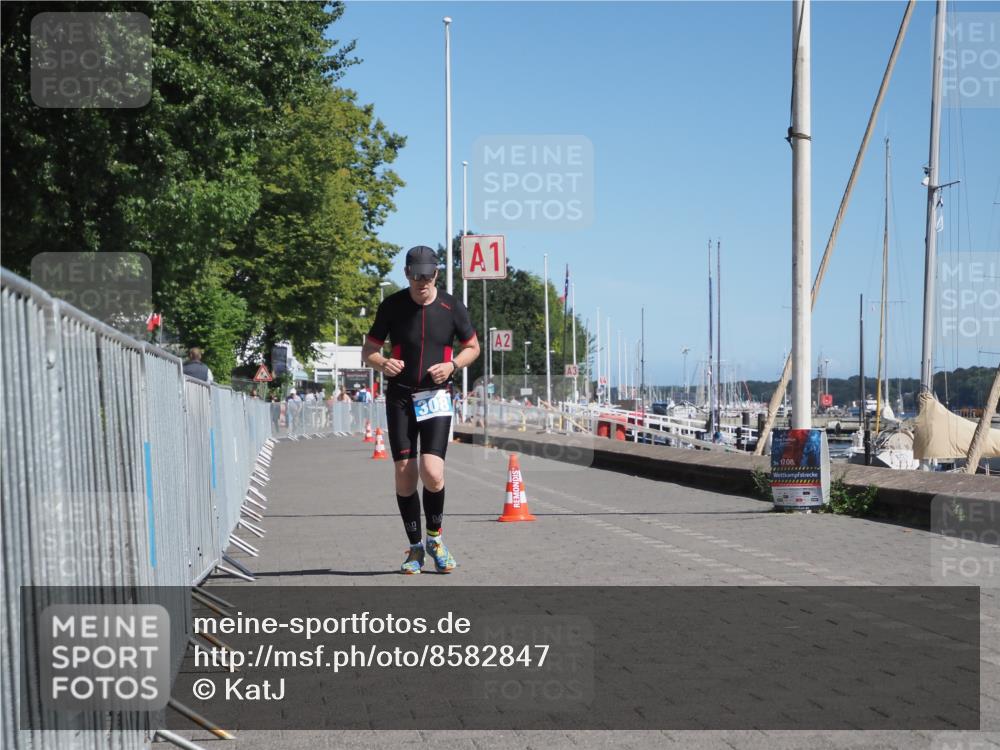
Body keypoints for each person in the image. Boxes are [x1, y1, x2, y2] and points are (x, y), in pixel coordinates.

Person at [361, 245, 481, 575]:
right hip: (400, 397)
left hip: (436, 397)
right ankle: (415, 547)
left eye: (427, 276)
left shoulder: (452, 307)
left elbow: (473, 347)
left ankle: (435, 539)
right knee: (405, 474)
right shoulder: (392, 306)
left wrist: (453, 365)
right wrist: (382, 362)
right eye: (416, 276)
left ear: (436, 274)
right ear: (406, 274)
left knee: (432, 472)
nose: (422, 282)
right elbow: (369, 350)